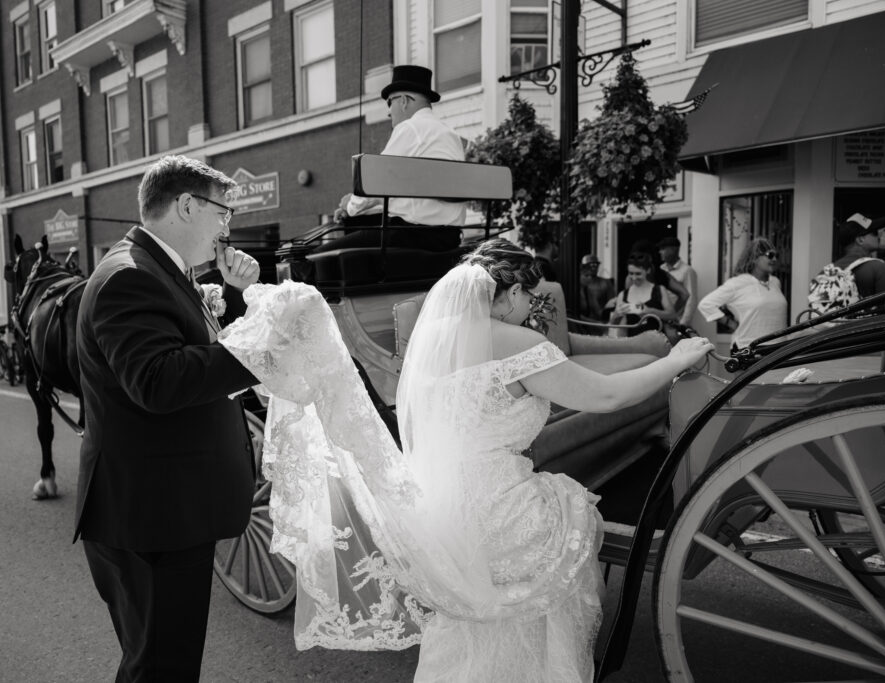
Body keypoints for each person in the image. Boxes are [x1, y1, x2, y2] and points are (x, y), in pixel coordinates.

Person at [217, 238, 713, 681]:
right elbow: (606, 396)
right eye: (530, 297)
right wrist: (675, 360)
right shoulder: (520, 344)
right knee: (572, 516)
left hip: (442, 515)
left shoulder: (433, 341)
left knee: (470, 632)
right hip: (503, 511)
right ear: (511, 294)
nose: (531, 309)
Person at [74, 155, 262, 682]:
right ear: (185, 206)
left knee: (160, 666)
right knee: (161, 670)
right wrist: (263, 349)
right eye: (222, 213)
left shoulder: (160, 269)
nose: (227, 228)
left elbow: (195, 349)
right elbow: (157, 380)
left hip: (168, 509)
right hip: (153, 519)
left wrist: (235, 299)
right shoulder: (129, 276)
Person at [317, 65, 465, 253]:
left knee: (319, 255)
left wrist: (350, 205)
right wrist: (357, 208)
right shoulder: (450, 135)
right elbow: (406, 199)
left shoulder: (410, 128)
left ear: (403, 101)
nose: (388, 112)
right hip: (449, 237)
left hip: (413, 237)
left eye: (389, 102)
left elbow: (376, 183)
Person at [697, 237, 788, 348]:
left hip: (779, 347)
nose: (774, 259)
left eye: (776, 256)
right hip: (749, 347)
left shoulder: (775, 282)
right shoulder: (737, 283)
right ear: (754, 258)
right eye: (770, 255)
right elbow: (706, 304)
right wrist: (729, 323)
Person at [609, 252, 677, 327]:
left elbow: (672, 315)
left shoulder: (659, 290)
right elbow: (613, 325)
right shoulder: (623, 295)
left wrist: (650, 311)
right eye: (631, 273)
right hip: (632, 334)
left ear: (648, 270)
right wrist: (617, 315)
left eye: (638, 274)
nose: (634, 278)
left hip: (655, 333)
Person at [833, 212, 885, 298]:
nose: (879, 235)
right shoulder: (878, 268)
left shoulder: (830, 270)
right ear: (860, 240)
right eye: (875, 233)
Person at [657, 236, 698, 326]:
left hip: (676, 321)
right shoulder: (661, 269)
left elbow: (691, 299)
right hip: (660, 319)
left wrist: (683, 323)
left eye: (663, 249)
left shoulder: (687, 271)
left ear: (673, 250)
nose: (660, 252)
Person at [578, 253, 615, 321]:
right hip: (582, 320)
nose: (594, 268)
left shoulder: (606, 282)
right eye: (591, 265)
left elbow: (612, 304)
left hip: (601, 319)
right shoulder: (577, 284)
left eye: (596, 265)